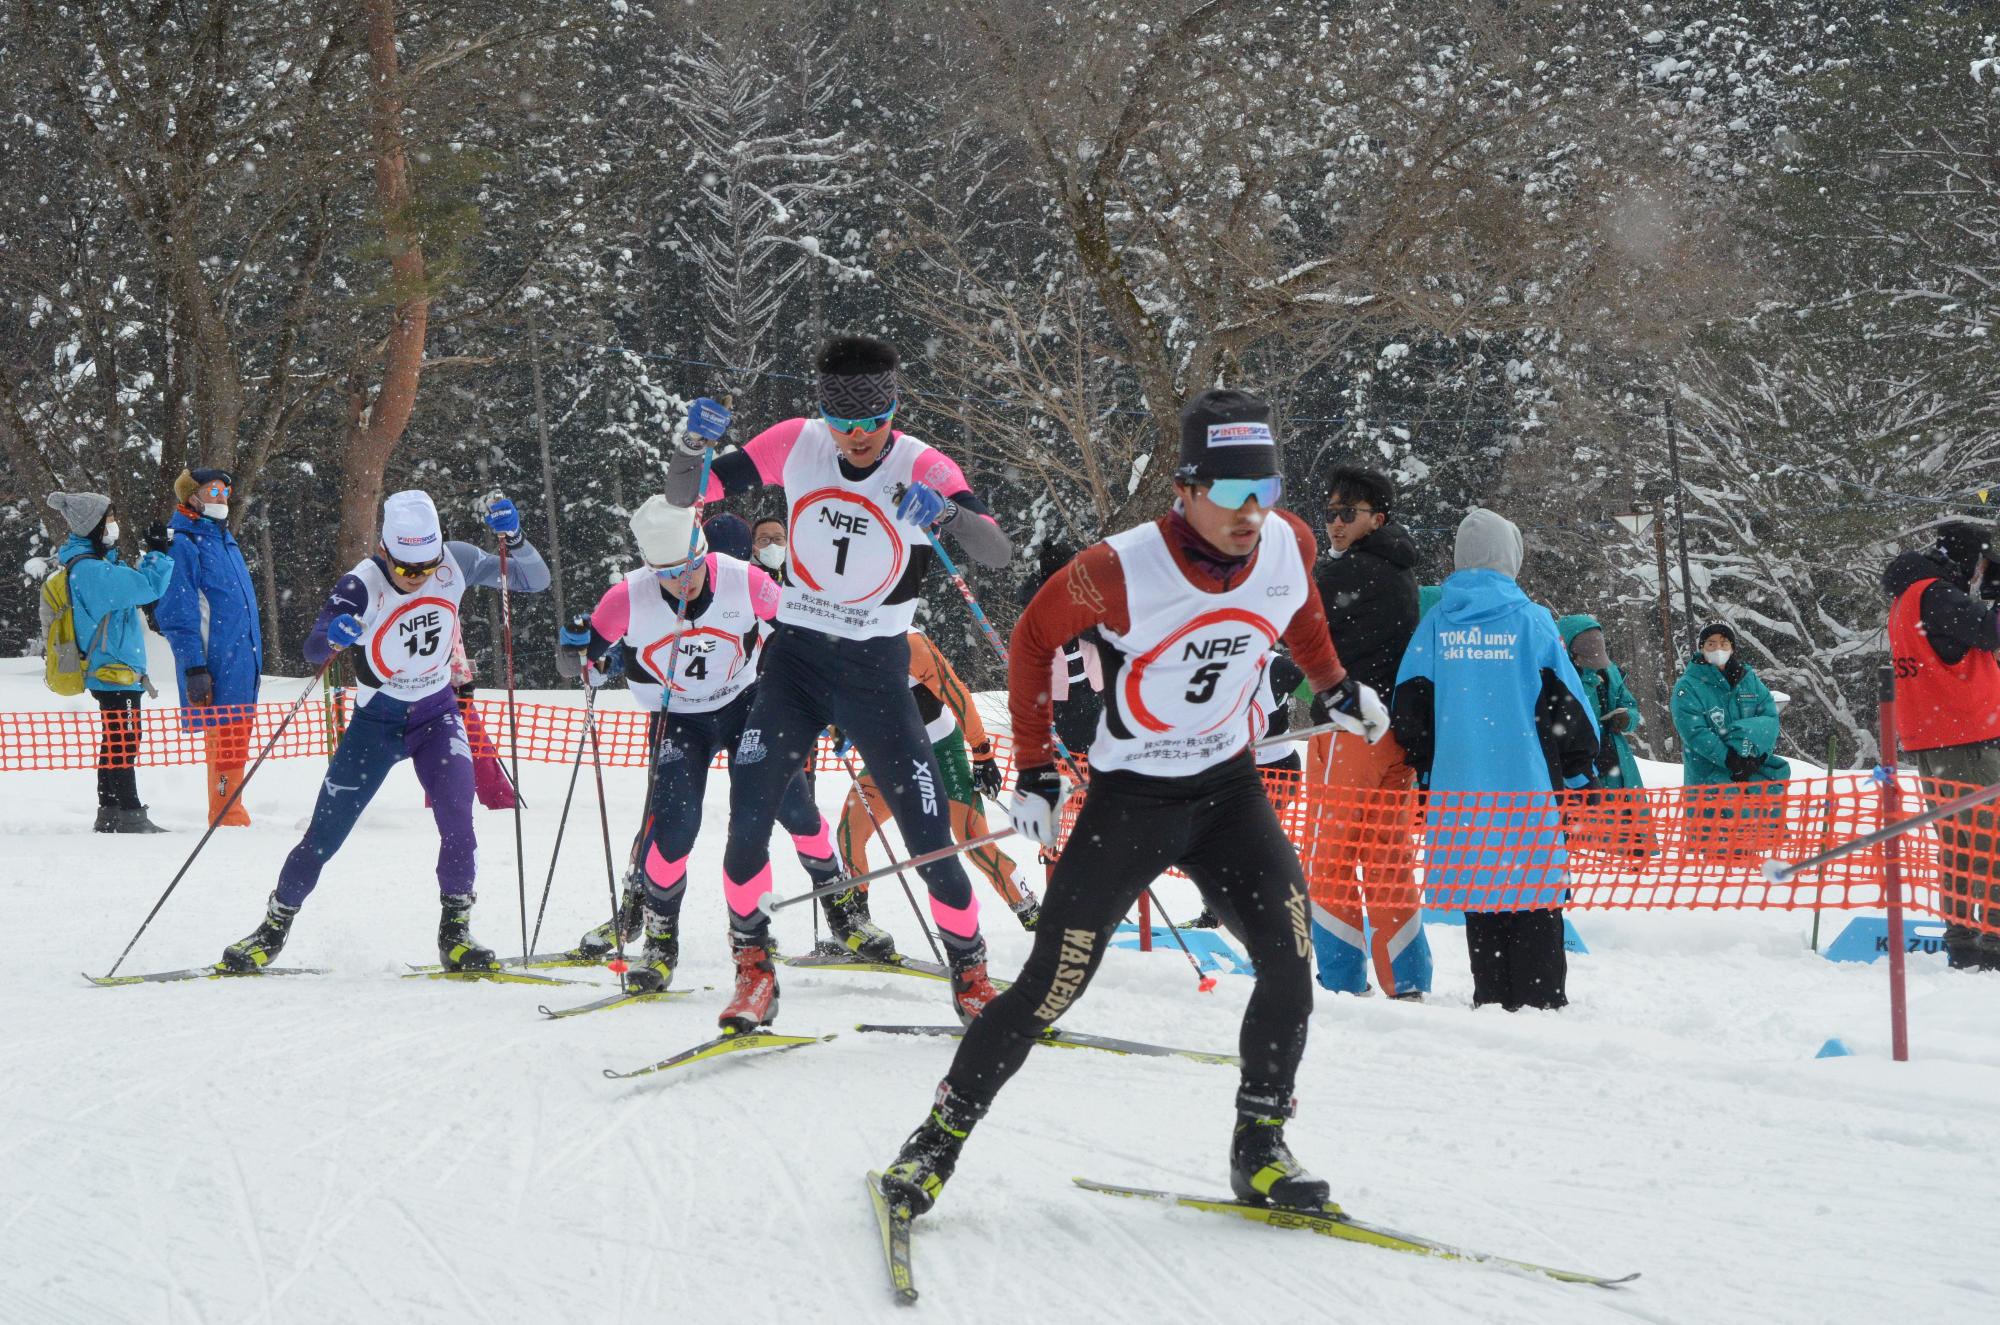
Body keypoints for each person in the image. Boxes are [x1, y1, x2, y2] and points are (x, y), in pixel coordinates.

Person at [878, 388, 1387, 1219]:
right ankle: (933, 1141)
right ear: (1184, 489)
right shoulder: (1119, 567)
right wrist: (1037, 768)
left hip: (1228, 791)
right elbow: (1033, 642)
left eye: (1264, 488)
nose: (1251, 512)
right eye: (1229, 492)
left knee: (1290, 970)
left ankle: (1258, 1149)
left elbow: (1300, 611)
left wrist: (1332, 685)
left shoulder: (1289, 540)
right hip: (1134, 800)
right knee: (1052, 986)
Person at [661, 336, 1014, 1029]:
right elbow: (683, 493)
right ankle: (754, 969)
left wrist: (947, 514)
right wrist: (687, 447)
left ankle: (969, 972)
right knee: (748, 820)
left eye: (871, 422)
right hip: (795, 664)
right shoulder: (797, 440)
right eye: (841, 420)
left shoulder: (923, 464)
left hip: (876, 673)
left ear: (893, 410)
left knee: (930, 836)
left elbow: (993, 550)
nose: (855, 437)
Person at [218, 490, 550, 972]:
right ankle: (272, 927)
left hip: (437, 717)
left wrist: (515, 540)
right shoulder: (361, 583)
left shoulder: (454, 561)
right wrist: (334, 636)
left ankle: (455, 933)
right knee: (323, 835)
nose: (416, 579)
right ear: (384, 550)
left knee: (458, 818)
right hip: (376, 725)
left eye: (425, 567)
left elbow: (533, 580)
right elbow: (313, 649)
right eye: (406, 569)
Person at [558, 496, 846, 990]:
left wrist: (830, 699)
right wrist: (576, 650)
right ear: (650, 566)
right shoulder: (627, 597)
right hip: (679, 722)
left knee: (794, 808)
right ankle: (660, 940)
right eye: (667, 572)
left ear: (704, 552)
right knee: (674, 830)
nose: (682, 580)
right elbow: (581, 663)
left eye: (691, 567)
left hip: (745, 707)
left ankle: (844, 913)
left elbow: (801, 639)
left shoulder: (746, 579)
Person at [1391, 508, 1599, 1011]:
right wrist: (1580, 767)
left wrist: (1427, 762)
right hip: (1527, 785)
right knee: (1533, 888)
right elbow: (1568, 704)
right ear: (1512, 556)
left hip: (1460, 789)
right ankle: (1540, 995)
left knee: (1479, 885)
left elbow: (1408, 703)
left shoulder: (1437, 623)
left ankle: (1492, 991)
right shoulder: (1532, 621)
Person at [1302, 466, 1432, 999]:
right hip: (1389, 734)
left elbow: (1288, 622)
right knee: (1387, 856)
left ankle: (1340, 977)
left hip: (1346, 729)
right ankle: (1407, 978)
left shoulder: (1349, 574)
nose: (1334, 523)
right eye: (1329, 512)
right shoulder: (1397, 570)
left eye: (1346, 513)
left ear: (1376, 518)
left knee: (1329, 855)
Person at [836, 627, 1043, 932]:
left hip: (940, 751)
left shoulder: (907, 641)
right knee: (849, 831)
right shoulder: (834, 642)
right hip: (889, 757)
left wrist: (982, 753)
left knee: (973, 840)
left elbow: (956, 694)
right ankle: (856, 927)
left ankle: (1029, 907)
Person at [1884, 522, 2000, 970]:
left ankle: (1963, 940)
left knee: (1957, 845)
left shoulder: (1907, 598)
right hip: (1967, 737)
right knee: (1989, 842)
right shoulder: (1936, 594)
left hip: (1932, 738)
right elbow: (1990, 633)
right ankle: (1992, 941)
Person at [46, 491, 175, 833]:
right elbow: (147, 587)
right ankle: (129, 812)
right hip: (114, 670)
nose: (114, 526)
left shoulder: (93, 565)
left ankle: (110, 811)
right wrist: (159, 554)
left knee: (115, 739)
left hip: (112, 669)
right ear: (92, 526)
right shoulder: (91, 570)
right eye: (109, 520)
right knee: (125, 739)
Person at [152, 468, 264, 827]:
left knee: (238, 734)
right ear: (192, 497)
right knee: (226, 736)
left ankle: (232, 808)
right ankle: (225, 813)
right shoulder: (184, 543)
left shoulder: (223, 539)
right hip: (214, 662)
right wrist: (193, 667)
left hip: (243, 659)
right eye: (213, 490)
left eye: (226, 491)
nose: (222, 497)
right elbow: (178, 613)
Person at [1670, 621, 1791, 852]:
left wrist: (1755, 755)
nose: (1718, 648)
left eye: (1724, 643)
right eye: (1711, 643)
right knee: (1715, 852)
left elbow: (1768, 717)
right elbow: (1694, 732)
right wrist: (1730, 759)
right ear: (1701, 647)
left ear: (1733, 647)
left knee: (1755, 850)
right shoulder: (1687, 686)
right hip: (1708, 775)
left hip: (1750, 771)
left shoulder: (1749, 679)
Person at [1557, 613, 1652, 859]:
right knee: (1592, 831)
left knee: (1627, 819)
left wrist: (1626, 717)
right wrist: (1588, 682)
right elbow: (1571, 712)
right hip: (1579, 759)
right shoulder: (1559, 674)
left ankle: (1633, 856)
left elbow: (1629, 703)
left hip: (1615, 754)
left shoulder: (1611, 671)